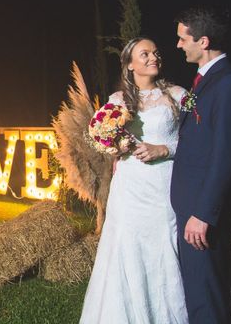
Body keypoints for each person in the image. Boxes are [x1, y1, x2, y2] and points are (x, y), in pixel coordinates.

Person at [80, 37, 188, 324]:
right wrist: (119, 147)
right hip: (129, 188)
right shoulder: (116, 102)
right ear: (129, 64)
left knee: (164, 247)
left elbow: (195, 141)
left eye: (155, 52)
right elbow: (103, 142)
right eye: (145, 54)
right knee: (127, 247)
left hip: (164, 185)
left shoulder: (177, 95)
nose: (154, 57)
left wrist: (165, 149)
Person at [171, 7, 231, 323]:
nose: (178, 45)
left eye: (182, 38)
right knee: (195, 293)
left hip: (200, 215)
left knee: (207, 300)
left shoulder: (229, 84)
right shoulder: (203, 80)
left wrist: (203, 213)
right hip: (188, 208)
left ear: (202, 41)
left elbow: (224, 154)